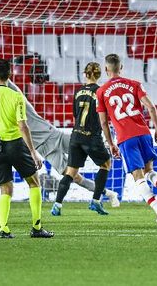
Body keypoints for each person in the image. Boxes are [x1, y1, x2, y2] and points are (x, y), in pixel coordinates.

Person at [0, 60, 120, 207]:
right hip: (46, 150)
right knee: (75, 178)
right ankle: (109, 193)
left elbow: (7, 84)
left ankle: (112, 147)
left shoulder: (19, 101)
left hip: (55, 137)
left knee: (93, 150)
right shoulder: (4, 110)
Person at [0, 59, 53, 239]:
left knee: (5, 189)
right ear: (9, 75)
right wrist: (33, 152)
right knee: (34, 183)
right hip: (15, 145)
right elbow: (23, 126)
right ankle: (36, 227)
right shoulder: (16, 97)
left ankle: (4, 229)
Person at [97, 54, 157, 222]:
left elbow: (103, 122)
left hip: (126, 137)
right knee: (149, 171)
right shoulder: (134, 84)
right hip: (144, 133)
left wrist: (111, 144)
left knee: (138, 177)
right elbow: (151, 107)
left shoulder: (101, 91)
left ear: (106, 69)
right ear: (120, 68)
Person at [52, 62, 112, 216]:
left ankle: (57, 205)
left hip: (76, 136)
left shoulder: (78, 92)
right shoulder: (101, 92)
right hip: (91, 136)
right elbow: (103, 116)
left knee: (70, 172)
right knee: (105, 164)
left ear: (85, 74)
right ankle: (96, 201)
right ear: (99, 75)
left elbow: (75, 114)